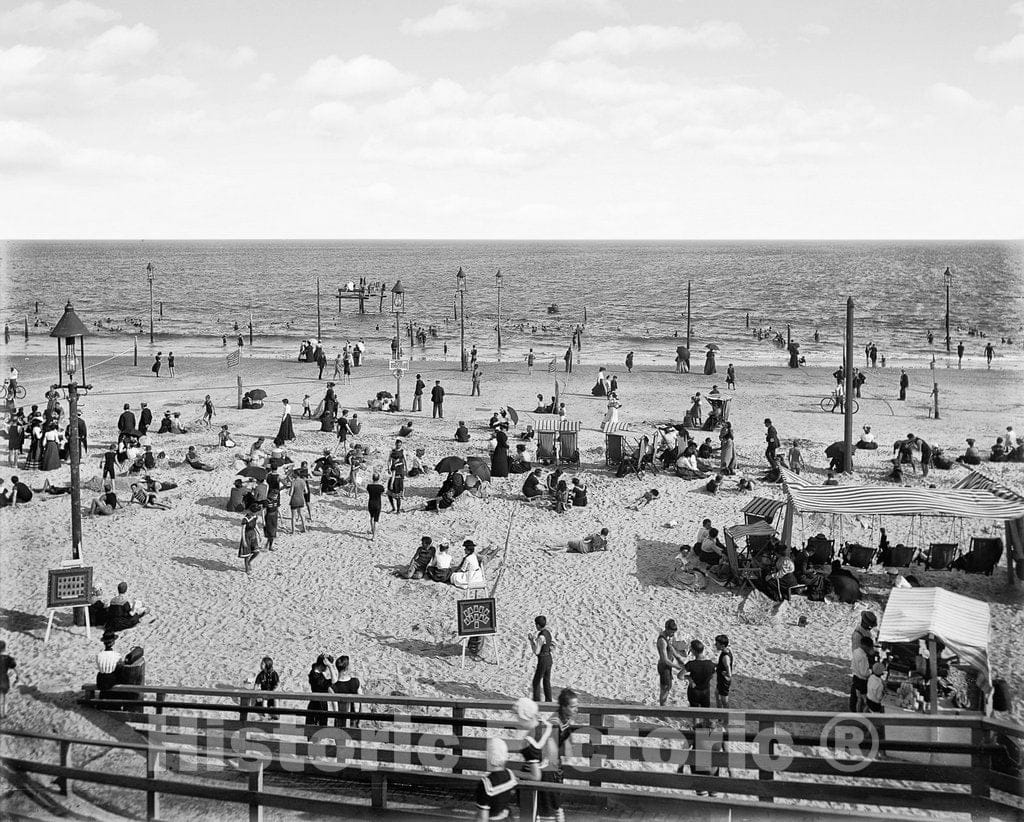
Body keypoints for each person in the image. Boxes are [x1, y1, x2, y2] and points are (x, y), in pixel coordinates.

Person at [475, 737, 517, 822]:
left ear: (489, 757)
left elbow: (482, 818)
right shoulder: (510, 775)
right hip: (507, 818)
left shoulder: (486, 784)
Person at [683, 639, 716, 708]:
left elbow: (680, 676)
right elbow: (712, 676)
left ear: (694, 651)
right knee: (706, 714)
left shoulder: (691, 664)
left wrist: (689, 679)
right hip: (705, 690)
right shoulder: (710, 664)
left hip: (694, 691)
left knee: (695, 714)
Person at [657, 620, 683, 705]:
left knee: (668, 686)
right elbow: (665, 659)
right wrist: (677, 666)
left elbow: (671, 649)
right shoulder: (662, 641)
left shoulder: (668, 637)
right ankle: (662, 709)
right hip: (664, 666)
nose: (673, 634)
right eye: (672, 632)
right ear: (667, 629)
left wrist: (679, 659)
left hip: (668, 666)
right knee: (665, 688)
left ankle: (664, 705)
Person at [331, 655, 362, 728]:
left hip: (340, 720)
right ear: (347, 668)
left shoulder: (333, 688)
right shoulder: (356, 682)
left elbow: (335, 709)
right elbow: (360, 702)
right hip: (354, 718)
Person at [305, 654, 335, 726]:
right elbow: (334, 681)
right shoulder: (317, 678)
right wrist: (330, 666)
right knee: (318, 730)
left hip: (315, 704)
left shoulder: (315, 672)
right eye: (327, 666)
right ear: (323, 665)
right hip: (319, 706)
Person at [714, 635, 733, 708]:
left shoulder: (725, 657)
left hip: (724, 682)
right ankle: (720, 717)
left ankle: (726, 718)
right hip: (721, 680)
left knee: (724, 701)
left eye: (717, 644)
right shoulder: (726, 650)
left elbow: (729, 673)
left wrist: (723, 673)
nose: (715, 645)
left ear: (722, 645)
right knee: (717, 695)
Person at [366, 472, 385, 539]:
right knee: (376, 520)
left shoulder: (369, 486)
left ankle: (372, 530)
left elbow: (368, 491)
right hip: (378, 503)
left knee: (371, 517)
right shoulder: (381, 487)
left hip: (370, 503)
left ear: (372, 478)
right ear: (378, 479)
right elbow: (382, 493)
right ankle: (374, 536)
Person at [0, 640, 16, 718]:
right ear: (5, 648)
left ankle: (1, 713)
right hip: (4, 680)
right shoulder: (9, 658)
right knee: (5, 697)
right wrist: (20, 677)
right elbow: (16, 668)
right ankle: (4, 713)